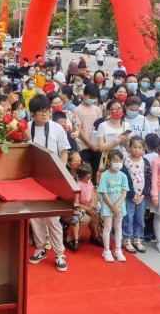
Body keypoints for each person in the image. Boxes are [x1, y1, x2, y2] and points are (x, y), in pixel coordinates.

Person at [25, 95, 70, 272]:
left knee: (53, 218)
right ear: (32, 113)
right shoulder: (27, 128)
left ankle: (59, 253)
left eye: (47, 111)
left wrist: (62, 169)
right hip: (33, 179)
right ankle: (41, 248)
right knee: (36, 218)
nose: (45, 115)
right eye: (41, 112)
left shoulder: (57, 128)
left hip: (53, 178)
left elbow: (64, 150)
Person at [98, 150, 129, 262]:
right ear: (109, 162)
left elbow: (124, 192)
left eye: (120, 160)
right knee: (107, 227)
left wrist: (117, 205)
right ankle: (106, 250)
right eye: (115, 160)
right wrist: (112, 206)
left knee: (118, 227)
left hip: (120, 206)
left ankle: (118, 250)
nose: (118, 162)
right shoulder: (104, 175)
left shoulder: (123, 175)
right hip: (108, 206)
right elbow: (103, 192)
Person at [121, 136, 151, 254]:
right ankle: (127, 238)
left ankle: (138, 238)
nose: (137, 150)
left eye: (140, 147)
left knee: (140, 217)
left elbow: (148, 178)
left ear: (143, 148)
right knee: (128, 217)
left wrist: (144, 194)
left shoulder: (145, 161)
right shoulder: (126, 161)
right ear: (129, 148)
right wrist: (131, 194)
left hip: (142, 196)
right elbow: (125, 179)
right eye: (134, 147)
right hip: (130, 196)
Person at [63, 163, 100, 251]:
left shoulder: (89, 182)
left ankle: (94, 236)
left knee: (95, 215)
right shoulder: (76, 185)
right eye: (89, 174)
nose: (90, 175)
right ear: (85, 175)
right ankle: (70, 238)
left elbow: (94, 192)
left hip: (86, 208)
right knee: (85, 218)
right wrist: (87, 208)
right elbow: (74, 203)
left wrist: (93, 204)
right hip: (73, 210)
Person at [75, 84, 103, 175]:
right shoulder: (77, 110)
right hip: (84, 147)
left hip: (97, 147)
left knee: (95, 171)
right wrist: (90, 145)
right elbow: (79, 130)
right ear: (84, 94)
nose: (92, 100)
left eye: (94, 98)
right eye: (90, 97)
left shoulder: (97, 110)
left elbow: (100, 128)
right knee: (86, 172)